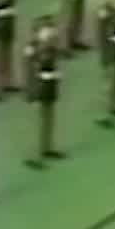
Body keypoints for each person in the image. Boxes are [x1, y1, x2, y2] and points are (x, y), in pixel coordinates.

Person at [23, 17, 65, 168]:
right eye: (45, 31)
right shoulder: (31, 48)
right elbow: (29, 69)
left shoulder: (50, 47)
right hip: (38, 85)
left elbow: (52, 63)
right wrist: (31, 90)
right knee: (36, 120)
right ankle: (32, 155)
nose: (49, 34)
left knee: (49, 118)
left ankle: (47, 148)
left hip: (49, 84)